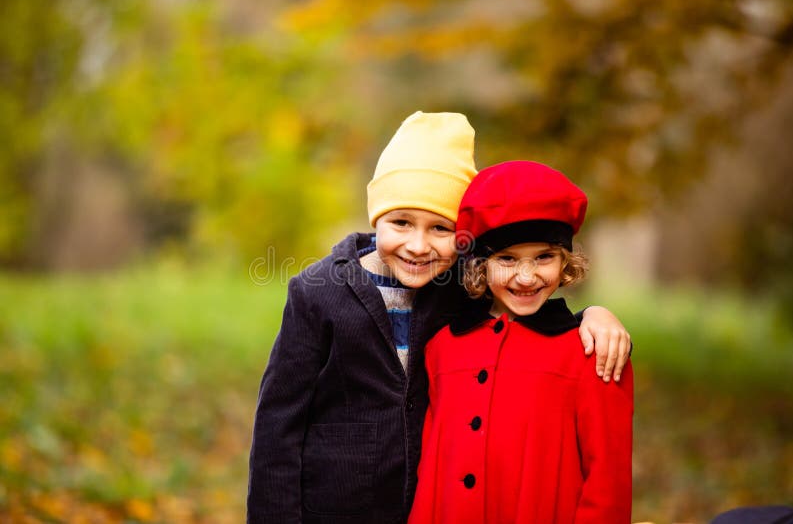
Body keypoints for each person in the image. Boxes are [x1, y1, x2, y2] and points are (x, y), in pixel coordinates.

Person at [247, 113, 631, 524]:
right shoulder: (317, 292)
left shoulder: (458, 289)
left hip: (422, 506)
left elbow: (520, 306)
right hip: (333, 508)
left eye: (440, 228)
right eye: (401, 222)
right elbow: (278, 424)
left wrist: (594, 313)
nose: (418, 245)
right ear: (376, 217)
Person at [409, 160, 634, 524]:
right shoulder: (442, 349)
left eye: (544, 257)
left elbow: (608, 484)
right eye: (507, 259)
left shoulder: (594, 351)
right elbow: (430, 473)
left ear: (566, 263)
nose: (527, 277)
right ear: (480, 265)